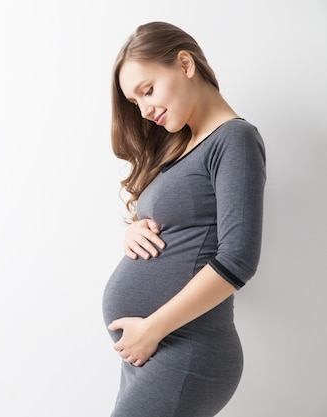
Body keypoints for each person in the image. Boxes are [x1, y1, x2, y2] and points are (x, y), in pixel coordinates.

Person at [101, 21, 266, 417]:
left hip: (188, 350)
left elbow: (237, 260)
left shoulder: (235, 140)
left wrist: (152, 329)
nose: (144, 110)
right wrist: (135, 230)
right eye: (135, 102)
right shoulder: (180, 147)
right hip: (153, 349)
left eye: (148, 90)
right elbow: (183, 225)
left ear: (185, 64)